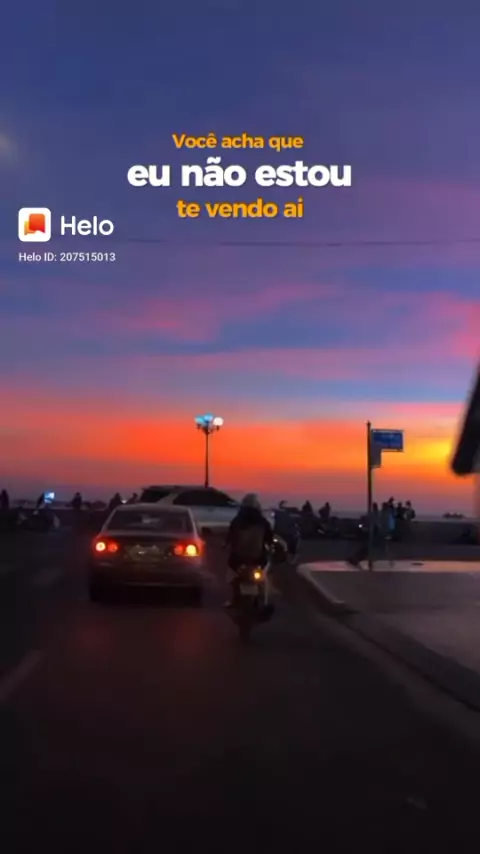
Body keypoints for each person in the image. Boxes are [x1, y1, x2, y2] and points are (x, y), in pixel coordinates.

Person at [224, 493, 273, 607]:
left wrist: (227, 545)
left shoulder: (237, 521)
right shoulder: (263, 522)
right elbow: (269, 538)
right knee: (264, 578)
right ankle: (264, 602)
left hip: (238, 559)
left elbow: (229, 537)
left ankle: (232, 600)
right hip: (258, 558)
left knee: (231, 576)